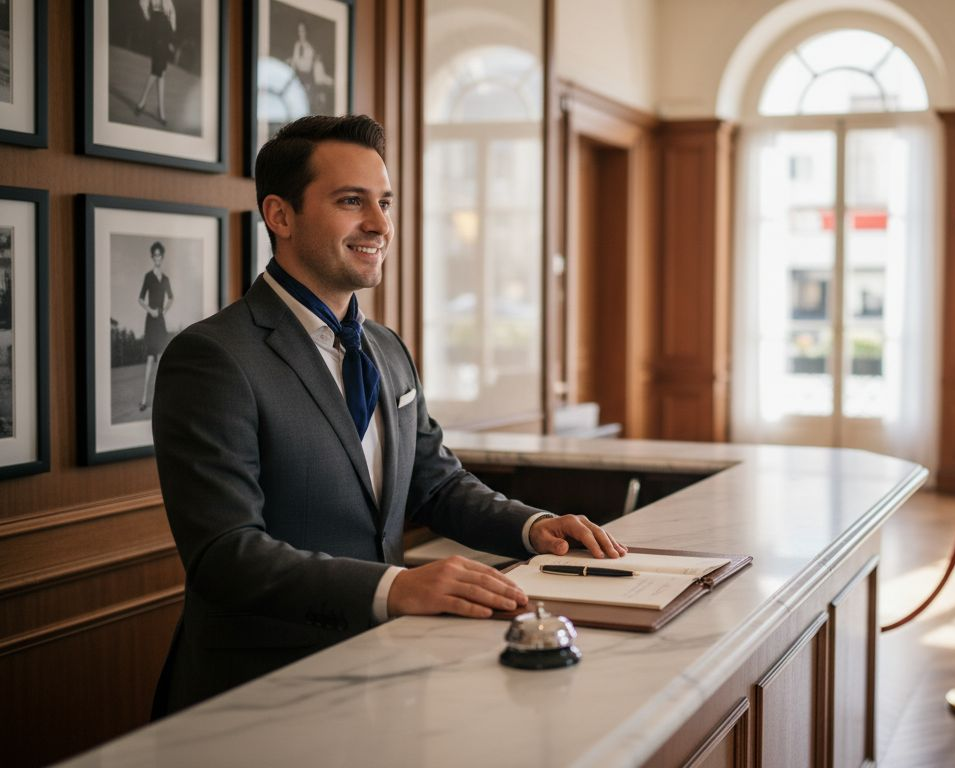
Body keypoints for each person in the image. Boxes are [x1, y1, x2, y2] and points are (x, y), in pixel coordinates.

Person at [150, 115, 626, 717]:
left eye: (384, 202)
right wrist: (396, 586)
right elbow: (225, 553)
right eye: (352, 202)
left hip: (386, 674)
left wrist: (534, 529)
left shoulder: (386, 348)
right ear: (280, 216)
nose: (379, 224)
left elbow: (437, 482)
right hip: (260, 693)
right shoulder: (213, 357)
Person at [137, 241, 173, 412]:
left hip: (160, 321)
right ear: (152, 257)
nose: (157, 258)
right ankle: (144, 399)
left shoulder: (165, 279)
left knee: (161, 359)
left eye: (159, 255)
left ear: (162, 257)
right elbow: (140, 299)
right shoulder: (148, 277)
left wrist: (163, 311)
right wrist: (150, 310)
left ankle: (161, 400)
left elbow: (171, 298)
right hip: (151, 320)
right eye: (155, 255)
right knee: (150, 359)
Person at [134, 0, 177, 125]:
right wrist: (148, 16)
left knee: (161, 72)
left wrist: (171, 37)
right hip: (156, 28)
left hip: (166, 30)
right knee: (157, 70)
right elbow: (142, 2)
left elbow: (172, 12)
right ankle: (145, 103)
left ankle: (151, 106)